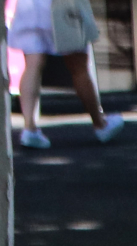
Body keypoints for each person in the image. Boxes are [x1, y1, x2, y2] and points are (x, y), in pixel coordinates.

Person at [9, 0, 123, 149]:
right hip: (62, 5)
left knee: (32, 64)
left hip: (29, 6)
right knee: (79, 67)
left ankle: (30, 127)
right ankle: (100, 123)